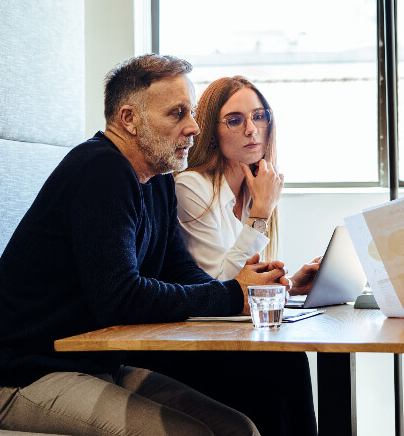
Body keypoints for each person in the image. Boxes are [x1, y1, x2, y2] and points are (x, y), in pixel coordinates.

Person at [0, 54, 291, 436]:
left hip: (97, 368)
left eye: (191, 112)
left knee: (239, 428)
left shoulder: (155, 179)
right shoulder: (100, 170)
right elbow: (120, 297)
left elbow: (180, 272)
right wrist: (229, 296)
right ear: (129, 119)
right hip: (24, 379)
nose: (193, 127)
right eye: (177, 113)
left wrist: (241, 292)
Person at [124, 76, 320, 436]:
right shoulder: (190, 188)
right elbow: (220, 286)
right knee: (284, 368)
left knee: (287, 369)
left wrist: (287, 287)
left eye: (260, 116)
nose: (252, 129)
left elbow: (246, 282)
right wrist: (261, 211)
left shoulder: (253, 186)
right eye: (235, 120)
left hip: (224, 331)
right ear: (210, 130)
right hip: (192, 339)